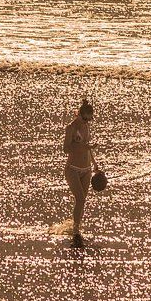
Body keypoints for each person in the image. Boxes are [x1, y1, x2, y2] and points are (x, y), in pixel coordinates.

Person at [64, 98, 98, 247]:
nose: (87, 121)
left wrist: (95, 165)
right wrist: (83, 148)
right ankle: (76, 231)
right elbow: (66, 148)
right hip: (73, 169)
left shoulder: (86, 126)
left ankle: (76, 226)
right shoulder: (71, 128)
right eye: (86, 119)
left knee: (82, 201)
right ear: (80, 115)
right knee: (80, 198)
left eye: (90, 119)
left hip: (87, 169)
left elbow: (88, 147)